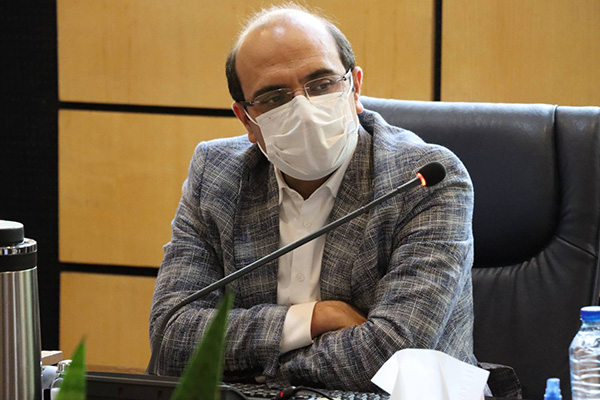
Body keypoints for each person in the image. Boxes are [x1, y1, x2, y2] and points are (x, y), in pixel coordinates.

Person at [149, 4, 476, 392]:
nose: (303, 108)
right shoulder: (217, 174)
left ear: (355, 87)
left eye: (321, 85)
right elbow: (172, 337)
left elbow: (391, 354)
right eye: (274, 97)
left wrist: (256, 373)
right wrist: (316, 318)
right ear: (247, 119)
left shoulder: (423, 180)